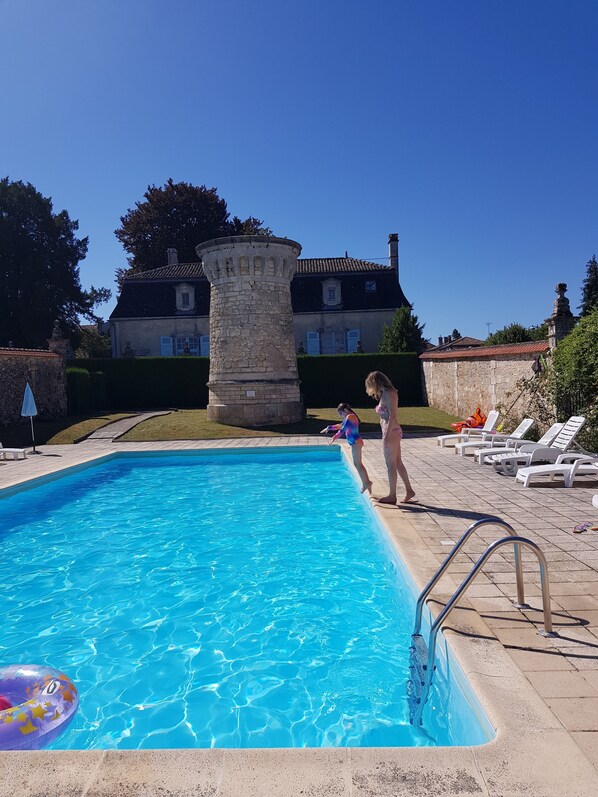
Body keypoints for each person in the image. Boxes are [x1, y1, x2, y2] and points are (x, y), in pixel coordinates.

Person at [365, 371, 416, 505]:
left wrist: (387, 436)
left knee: (391, 465)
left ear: (375, 382)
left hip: (391, 431)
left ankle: (392, 496)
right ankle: (409, 490)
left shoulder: (390, 393)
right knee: (397, 462)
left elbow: (393, 415)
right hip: (390, 431)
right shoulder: (385, 393)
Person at [320, 403, 373, 493]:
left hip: (356, 442)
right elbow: (340, 425)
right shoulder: (349, 417)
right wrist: (329, 427)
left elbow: (343, 429)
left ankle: (366, 483)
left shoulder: (350, 416)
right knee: (358, 464)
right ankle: (367, 483)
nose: (341, 416)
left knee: (358, 464)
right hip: (355, 443)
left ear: (344, 410)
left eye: (340, 414)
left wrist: (334, 437)